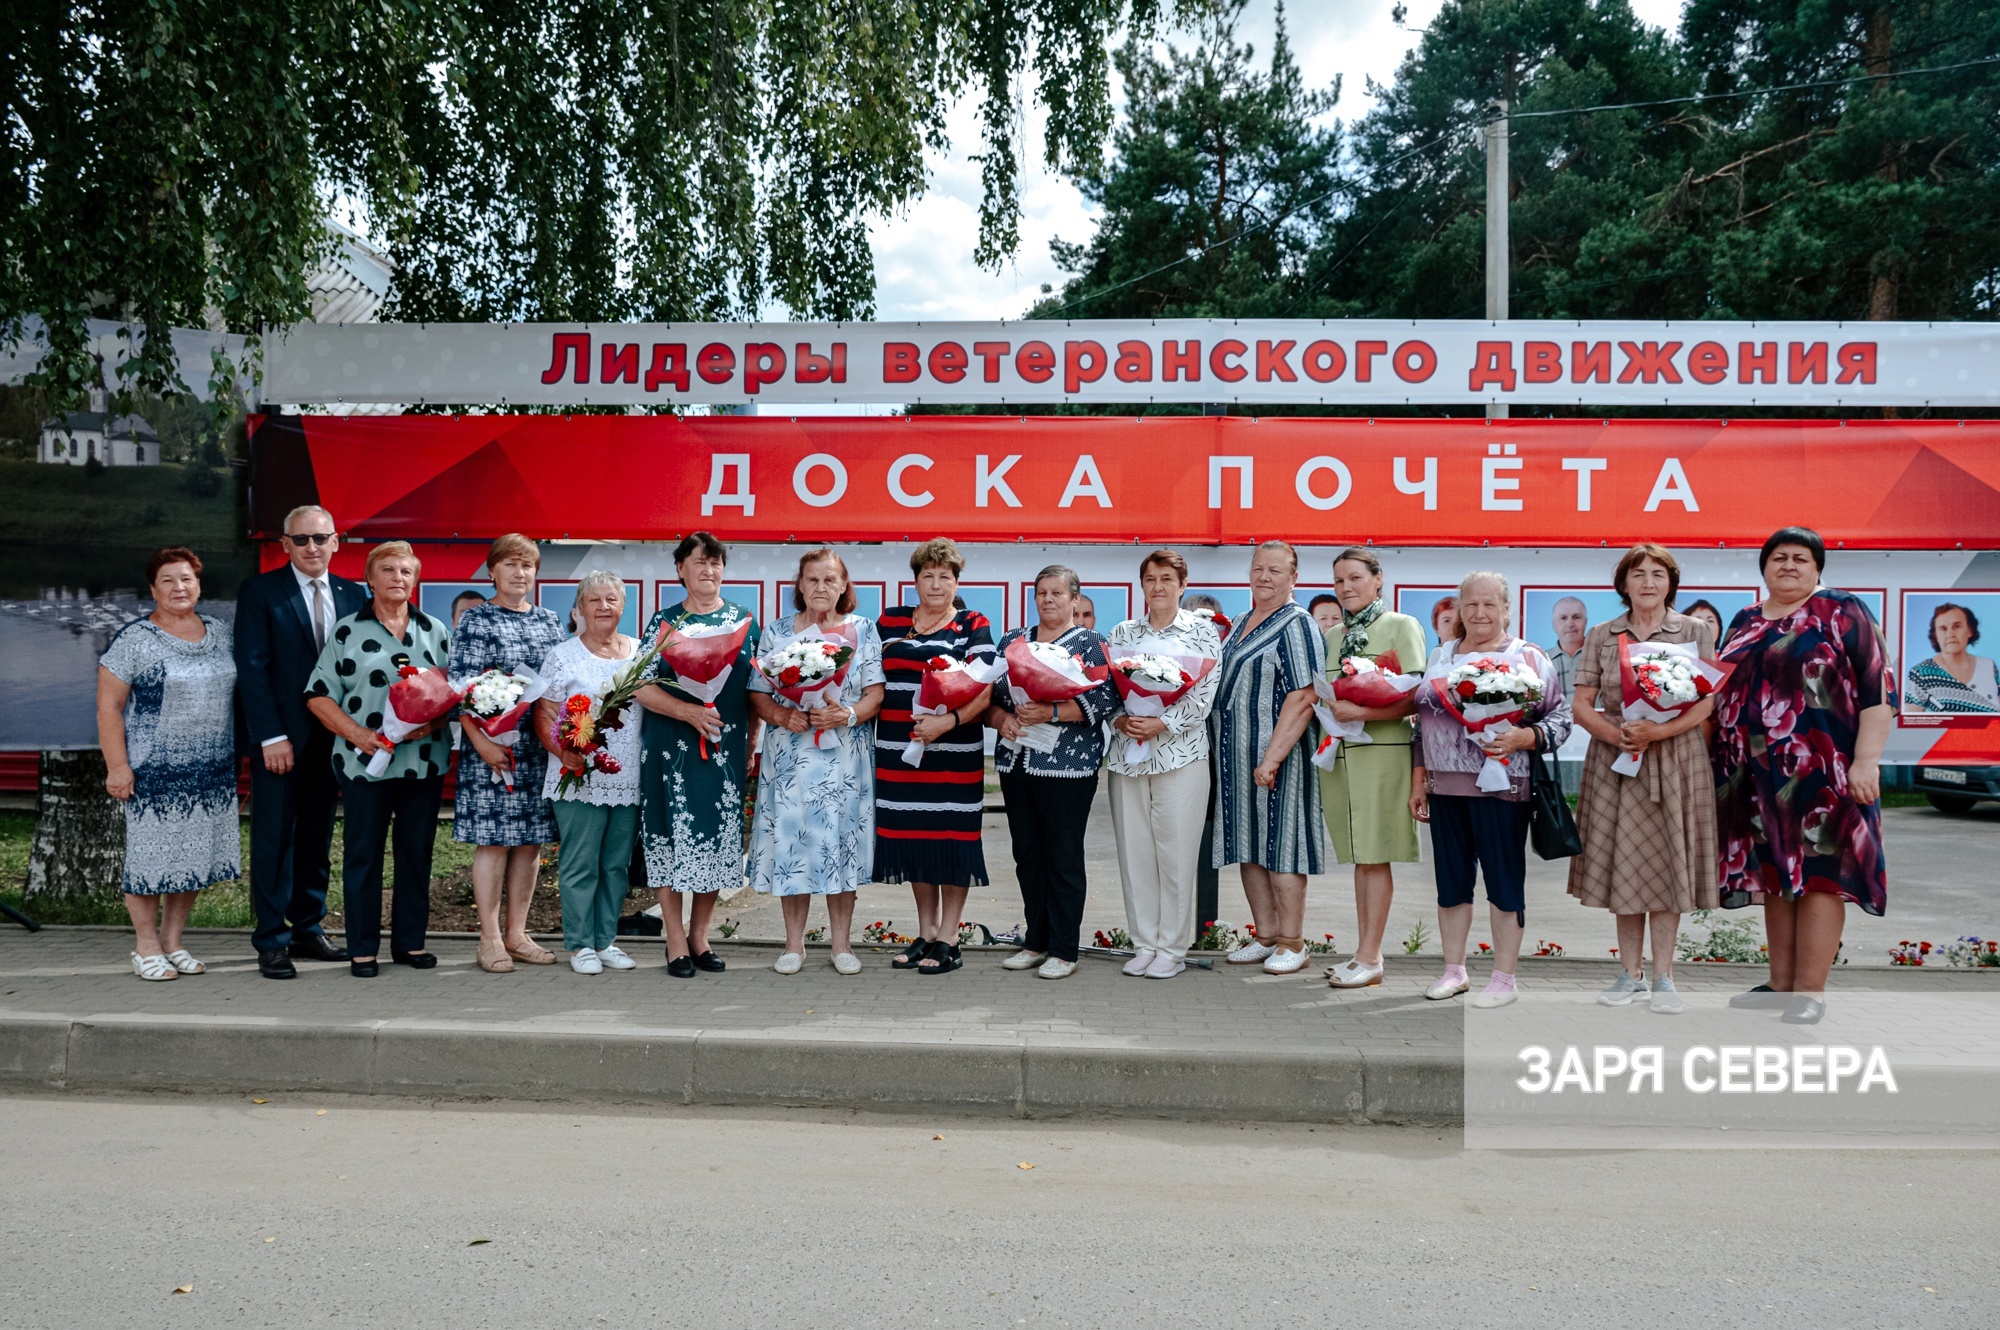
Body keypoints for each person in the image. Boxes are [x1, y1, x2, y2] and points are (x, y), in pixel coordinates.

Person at [1714, 527, 1891, 1024]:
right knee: (1774, 876)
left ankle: (1809, 991)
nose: (1788, 565)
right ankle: (1780, 984)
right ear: (1764, 568)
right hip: (1751, 777)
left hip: (1826, 771)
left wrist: (1865, 762)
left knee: (1819, 878)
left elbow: (1879, 692)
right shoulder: (1745, 619)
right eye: (1778, 558)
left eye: (1800, 558)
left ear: (1817, 569)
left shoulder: (1841, 609)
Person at [1565, 545, 1718, 1015]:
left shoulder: (1694, 631)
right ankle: (1629, 975)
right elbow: (1581, 704)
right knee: (1625, 864)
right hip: (1618, 760)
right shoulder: (1601, 635)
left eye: (1657, 574)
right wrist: (1619, 735)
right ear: (1624, 584)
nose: (1648, 582)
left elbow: (1704, 702)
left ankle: (1664, 977)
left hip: (1675, 757)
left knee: (1669, 863)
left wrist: (1659, 730)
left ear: (1671, 582)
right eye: (1638, 574)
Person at [1410, 571, 1572, 1008]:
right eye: (1471, 605)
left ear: (1506, 609)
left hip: (1504, 789)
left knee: (1503, 883)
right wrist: (1418, 781)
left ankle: (1504, 978)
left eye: (1489, 605)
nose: (1480, 613)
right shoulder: (1441, 656)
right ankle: (1454, 971)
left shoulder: (1528, 658)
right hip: (1444, 788)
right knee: (1451, 884)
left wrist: (1524, 738)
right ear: (1459, 610)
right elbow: (1420, 726)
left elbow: (1561, 719)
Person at [306, 541, 453, 977]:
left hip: (422, 761)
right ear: (369, 579)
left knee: (415, 854)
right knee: (363, 855)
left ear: (416, 579)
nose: (397, 579)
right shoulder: (348, 630)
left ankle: (410, 945)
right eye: (387, 570)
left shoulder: (435, 630)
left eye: (406, 571)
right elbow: (317, 695)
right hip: (362, 762)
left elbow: (454, 696)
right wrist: (358, 734)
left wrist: (432, 722)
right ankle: (362, 948)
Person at [234, 504, 365, 978]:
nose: (312, 547)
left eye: (320, 537)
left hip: (334, 742)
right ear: (285, 545)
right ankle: (271, 939)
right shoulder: (260, 591)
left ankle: (307, 929)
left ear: (336, 542)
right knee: (274, 839)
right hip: (281, 741)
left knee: (316, 835)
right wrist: (270, 735)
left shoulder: (354, 595)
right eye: (301, 539)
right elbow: (251, 668)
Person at [98, 548, 239, 981]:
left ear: (199, 585)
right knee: (149, 859)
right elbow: (109, 706)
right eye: (168, 581)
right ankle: (145, 947)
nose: (180, 588)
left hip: (211, 767)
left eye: (187, 580)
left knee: (192, 856)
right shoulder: (136, 639)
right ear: (152, 590)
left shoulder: (221, 631)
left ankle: (172, 941)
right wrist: (118, 767)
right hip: (154, 769)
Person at [746, 549, 886, 975]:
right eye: (813, 580)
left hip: (845, 758)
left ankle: (841, 945)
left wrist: (845, 714)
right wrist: (782, 714)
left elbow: (875, 695)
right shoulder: (776, 632)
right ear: (800, 586)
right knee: (794, 845)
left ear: (844, 586)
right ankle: (793, 946)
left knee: (840, 847)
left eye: (830, 579)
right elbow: (757, 693)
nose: (821, 587)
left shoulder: (863, 630)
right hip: (791, 757)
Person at [636, 531, 760, 978]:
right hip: (670, 750)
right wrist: (687, 711)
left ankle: (700, 936)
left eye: (716, 563)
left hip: (724, 750)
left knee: (713, 837)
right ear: (680, 570)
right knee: (670, 838)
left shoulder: (744, 620)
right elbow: (641, 686)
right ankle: (673, 939)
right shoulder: (664, 621)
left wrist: (751, 742)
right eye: (699, 562)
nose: (708, 571)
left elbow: (755, 689)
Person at [874, 537, 996, 976]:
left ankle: (949, 937)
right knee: (914, 840)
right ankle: (925, 931)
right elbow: (872, 678)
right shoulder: (889, 620)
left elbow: (985, 687)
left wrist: (949, 722)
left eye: (945, 575)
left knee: (951, 841)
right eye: (928, 575)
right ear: (916, 580)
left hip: (952, 753)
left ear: (957, 580)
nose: (937, 583)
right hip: (897, 754)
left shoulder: (972, 623)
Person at [989, 565, 1117, 979]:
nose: (1048, 599)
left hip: (1068, 767)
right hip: (1016, 760)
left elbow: (1107, 699)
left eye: (1057, 593)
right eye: (1041, 592)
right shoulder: (1013, 641)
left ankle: (1064, 948)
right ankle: (1036, 941)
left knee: (1062, 858)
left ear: (1074, 599)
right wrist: (999, 720)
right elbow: (988, 694)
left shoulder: (1091, 644)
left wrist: (1054, 711)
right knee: (1027, 856)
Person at [448, 534, 566, 973]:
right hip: (491, 750)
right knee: (495, 842)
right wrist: (482, 742)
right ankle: (490, 938)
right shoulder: (476, 621)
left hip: (537, 750)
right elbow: (460, 688)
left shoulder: (550, 621)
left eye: (528, 565)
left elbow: (557, 684)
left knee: (530, 843)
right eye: (511, 564)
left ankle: (518, 933)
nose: (520, 573)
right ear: (492, 570)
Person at [1211, 540, 1327, 975]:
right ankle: (1265, 936)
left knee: (1282, 847)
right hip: (1235, 760)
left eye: (1276, 570)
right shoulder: (1240, 621)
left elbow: (1304, 696)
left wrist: (1272, 758)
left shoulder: (1298, 624)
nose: (1264, 576)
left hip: (1278, 759)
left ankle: (1293, 942)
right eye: (1258, 568)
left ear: (1294, 578)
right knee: (1248, 845)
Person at [1105, 549, 1221, 979]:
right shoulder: (1123, 631)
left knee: (1174, 854)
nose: (1158, 586)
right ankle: (1144, 944)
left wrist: (1163, 722)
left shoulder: (1202, 632)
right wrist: (1120, 718)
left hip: (1180, 755)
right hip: (1127, 753)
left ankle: (1171, 949)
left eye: (1167, 579)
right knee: (1135, 854)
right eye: (1150, 578)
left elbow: (1203, 696)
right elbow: (1109, 690)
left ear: (1182, 585)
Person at [1317, 548, 1426, 991]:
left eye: (1356, 577)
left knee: (1376, 854)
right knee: (1360, 858)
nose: (1347, 587)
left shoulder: (1402, 626)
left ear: (1378, 580)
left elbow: (1416, 696)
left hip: (1384, 753)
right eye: (1340, 580)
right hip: (1340, 757)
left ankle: (1371, 956)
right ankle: (1363, 953)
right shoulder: (1333, 635)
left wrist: (1362, 713)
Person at [536, 571, 644, 975]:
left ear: (622, 606)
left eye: (611, 600)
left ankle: (606, 940)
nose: (603, 607)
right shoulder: (562, 656)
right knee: (581, 862)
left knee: (615, 864)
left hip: (627, 776)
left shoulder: (639, 652)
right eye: (594, 600)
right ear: (579, 609)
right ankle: (580, 944)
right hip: (578, 776)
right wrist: (564, 752)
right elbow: (545, 713)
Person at [1906, 603, 1999, 714]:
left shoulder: (1988, 666)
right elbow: (1910, 723)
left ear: (1970, 631)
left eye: (1957, 626)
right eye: (1943, 629)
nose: (1950, 634)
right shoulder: (1921, 673)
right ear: (1936, 635)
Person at [1550, 595, 1589, 701]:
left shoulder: (1601, 656)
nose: (1570, 624)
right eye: (1563, 618)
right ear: (1554, 625)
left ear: (1585, 622)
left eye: (1576, 617)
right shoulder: (1542, 660)